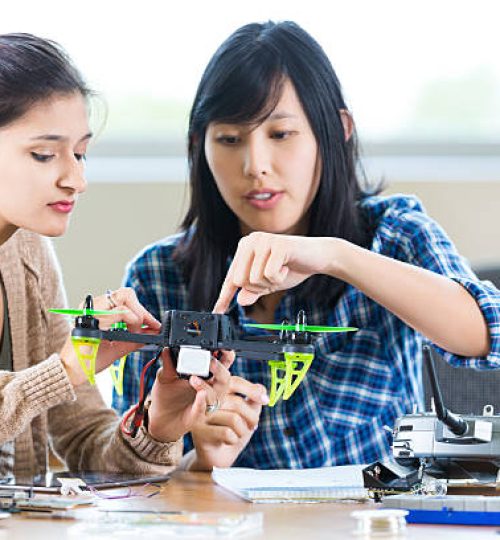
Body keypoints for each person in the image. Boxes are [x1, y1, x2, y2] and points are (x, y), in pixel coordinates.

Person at [114, 21, 500, 470]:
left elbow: (491, 335)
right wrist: (200, 463)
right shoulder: (158, 278)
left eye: (281, 135)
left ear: (336, 130)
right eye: (229, 139)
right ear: (198, 145)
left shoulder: (392, 235)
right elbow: (131, 475)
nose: (255, 165)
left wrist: (335, 256)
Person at [0, 32, 234, 480]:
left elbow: (87, 440)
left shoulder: (30, 255)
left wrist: (159, 423)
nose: (76, 180)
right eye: (45, 154)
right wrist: (67, 367)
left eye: (81, 154)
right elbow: (55, 379)